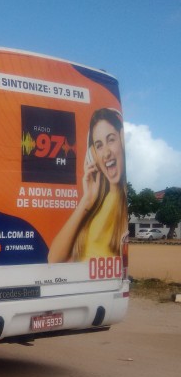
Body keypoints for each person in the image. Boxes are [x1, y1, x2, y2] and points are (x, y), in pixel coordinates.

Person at [48, 108, 128, 263]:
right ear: (93, 155)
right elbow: (54, 258)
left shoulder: (124, 206)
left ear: (122, 141)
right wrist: (87, 199)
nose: (106, 153)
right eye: (99, 145)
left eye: (111, 139)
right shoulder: (94, 202)